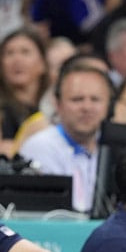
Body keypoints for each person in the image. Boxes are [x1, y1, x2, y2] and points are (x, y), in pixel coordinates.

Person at [17, 60, 112, 213]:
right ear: (57, 104)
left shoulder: (115, 148)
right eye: (77, 99)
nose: (87, 107)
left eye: (95, 99)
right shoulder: (39, 147)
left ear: (108, 105)